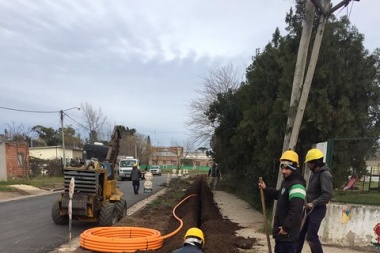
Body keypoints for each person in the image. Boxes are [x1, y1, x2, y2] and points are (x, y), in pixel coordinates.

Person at [258, 150, 306, 253]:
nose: (283, 171)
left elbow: (296, 210)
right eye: (282, 168)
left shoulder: (297, 185)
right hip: (282, 234)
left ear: (294, 167)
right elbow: (280, 195)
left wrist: (285, 228)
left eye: (287, 168)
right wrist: (266, 189)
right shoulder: (287, 182)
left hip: (288, 235)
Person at [295, 148, 333, 253]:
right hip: (308, 209)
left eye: (309, 163)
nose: (307, 165)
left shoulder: (325, 175)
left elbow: (327, 195)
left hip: (317, 210)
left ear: (315, 163)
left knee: (311, 237)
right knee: (300, 233)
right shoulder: (314, 173)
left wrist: (314, 203)